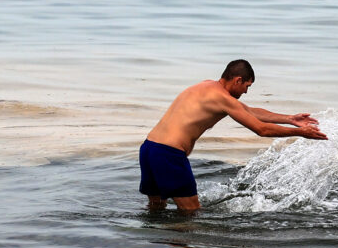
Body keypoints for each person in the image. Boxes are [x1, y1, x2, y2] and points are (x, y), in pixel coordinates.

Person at [139, 59, 327, 212]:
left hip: (149, 148)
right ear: (237, 80)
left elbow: (249, 111)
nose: (246, 91)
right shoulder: (223, 99)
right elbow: (262, 130)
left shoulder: (207, 86)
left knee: (156, 209)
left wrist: (289, 118)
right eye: (247, 86)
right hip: (169, 154)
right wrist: (300, 133)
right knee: (191, 212)